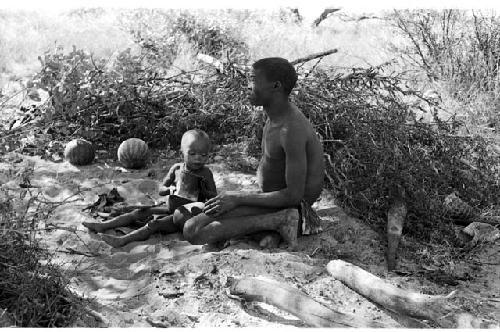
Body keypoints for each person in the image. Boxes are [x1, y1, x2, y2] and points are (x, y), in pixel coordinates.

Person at [172, 57, 325, 249]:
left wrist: (237, 199)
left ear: (276, 86)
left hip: (291, 205)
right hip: (269, 200)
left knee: (192, 230)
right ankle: (271, 226)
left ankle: (277, 221)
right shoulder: (274, 116)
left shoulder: (291, 130)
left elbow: (294, 195)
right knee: (180, 216)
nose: (247, 86)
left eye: (253, 80)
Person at [82, 129, 217, 247]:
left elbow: (213, 199)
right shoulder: (177, 169)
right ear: (182, 151)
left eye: (203, 155)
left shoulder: (205, 174)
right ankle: (104, 225)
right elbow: (162, 189)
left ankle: (123, 240)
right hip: (170, 207)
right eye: (192, 154)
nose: (198, 159)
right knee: (137, 213)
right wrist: (168, 190)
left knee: (154, 224)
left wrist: (205, 192)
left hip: (184, 215)